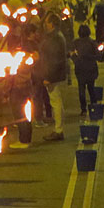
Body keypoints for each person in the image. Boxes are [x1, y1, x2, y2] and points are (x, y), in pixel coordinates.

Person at [40, 12, 68, 141]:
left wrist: (48, 77)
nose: (45, 25)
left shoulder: (55, 38)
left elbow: (54, 59)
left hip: (53, 75)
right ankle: (58, 128)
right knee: (57, 101)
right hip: (55, 74)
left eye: (47, 22)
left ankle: (58, 130)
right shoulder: (56, 36)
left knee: (55, 102)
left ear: (52, 24)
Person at [72, 24, 99, 115]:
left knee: (81, 89)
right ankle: (94, 106)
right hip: (91, 68)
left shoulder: (75, 42)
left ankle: (83, 109)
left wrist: (76, 60)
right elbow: (98, 55)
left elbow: (71, 54)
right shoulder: (92, 42)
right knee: (91, 89)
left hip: (80, 69)